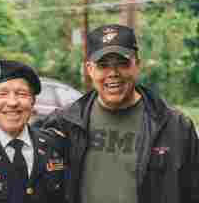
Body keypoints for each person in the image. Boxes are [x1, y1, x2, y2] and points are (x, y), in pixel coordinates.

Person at [37, 24, 199, 203]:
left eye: (122, 64)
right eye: (103, 65)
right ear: (90, 69)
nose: (113, 73)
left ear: (137, 65)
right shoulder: (64, 124)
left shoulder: (175, 127)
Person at [0, 60, 67, 203]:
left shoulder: (56, 145)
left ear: (32, 102)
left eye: (21, 93)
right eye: (3, 94)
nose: (13, 102)